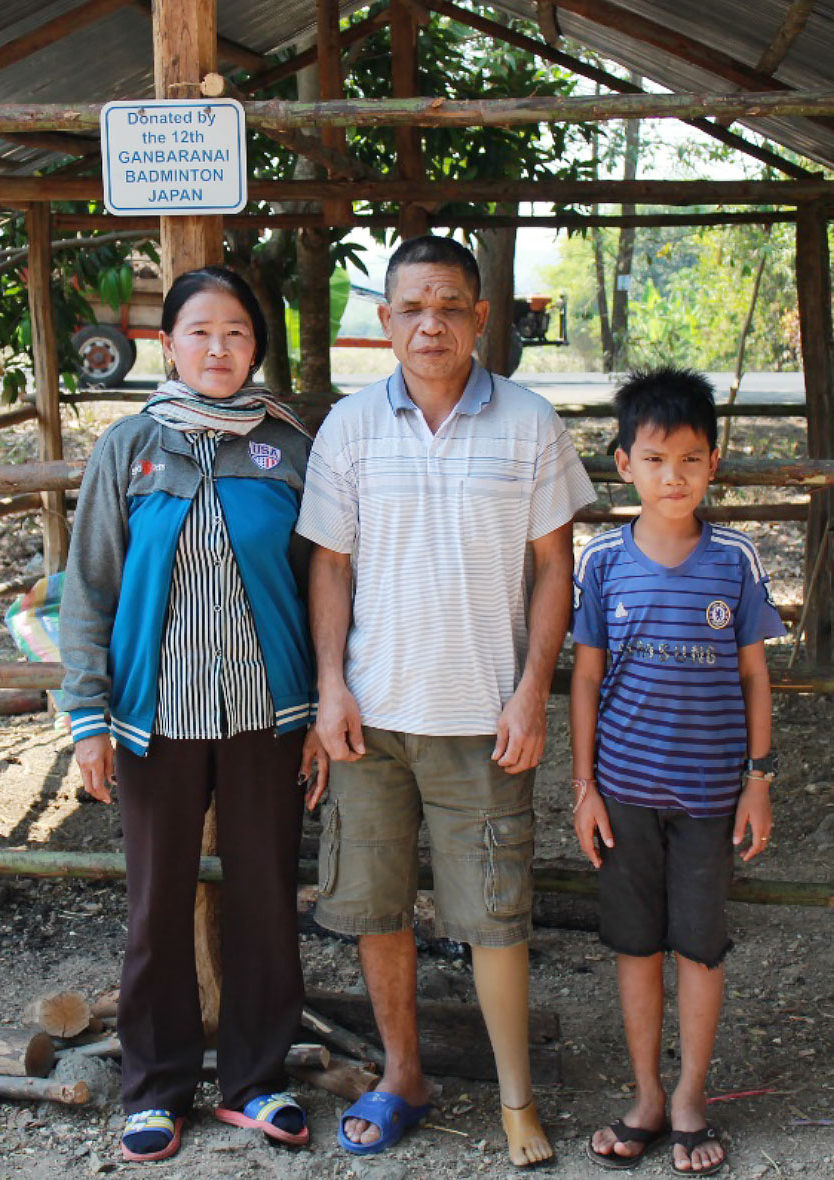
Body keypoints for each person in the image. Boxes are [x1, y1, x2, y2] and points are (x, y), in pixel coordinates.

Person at [296, 235, 595, 1167]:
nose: (432, 323)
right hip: (373, 719)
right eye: (412, 307)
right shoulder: (349, 427)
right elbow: (330, 567)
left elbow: (554, 568)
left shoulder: (529, 421)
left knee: (495, 912)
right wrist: (331, 686)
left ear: (479, 317)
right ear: (384, 322)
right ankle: (402, 1076)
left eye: (451, 305)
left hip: (483, 716)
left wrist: (529, 694)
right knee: (378, 907)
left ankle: (515, 1100)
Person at [59, 266, 328, 1163]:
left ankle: (258, 1081)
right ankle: (156, 1088)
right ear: (168, 344)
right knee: (155, 904)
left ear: (257, 346)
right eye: (200, 332)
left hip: (268, 711)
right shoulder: (128, 447)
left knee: (265, 900)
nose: (219, 349)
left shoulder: (288, 447)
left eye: (237, 334)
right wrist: (87, 716)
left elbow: (321, 586)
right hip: (152, 718)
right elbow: (90, 590)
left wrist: (325, 709)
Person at [570, 367, 785, 1176]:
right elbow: (586, 680)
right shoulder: (600, 560)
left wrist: (757, 777)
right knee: (634, 947)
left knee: (699, 949)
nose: (673, 476)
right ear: (623, 462)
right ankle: (646, 1098)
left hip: (708, 799)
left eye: (690, 460)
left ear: (713, 463)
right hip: (622, 795)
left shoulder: (733, 557)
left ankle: (692, 1097)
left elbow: (755, 675)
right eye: (655, 459)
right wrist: (584, 788)